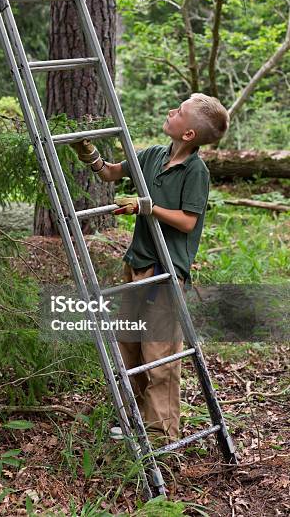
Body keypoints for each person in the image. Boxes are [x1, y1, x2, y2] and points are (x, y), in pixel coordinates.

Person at [71, 93, 230, 443]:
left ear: (188, 134)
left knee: (159, 354)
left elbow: (187, 221)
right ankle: (135, 418)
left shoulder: (196, 171)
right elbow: (111, 173)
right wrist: (89, 155)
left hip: (166, 271)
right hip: (138, 263)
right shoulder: (154, 155)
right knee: (129, 343)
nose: (171, 111)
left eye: (180, 111)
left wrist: (146, 206)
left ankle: (161, 433)